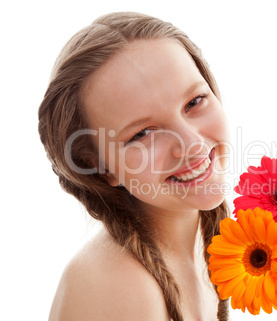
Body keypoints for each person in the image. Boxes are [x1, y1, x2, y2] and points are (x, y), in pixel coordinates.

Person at [38, 12, 231, 321]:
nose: (192, 144)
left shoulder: (208, 241)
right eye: (142, 133)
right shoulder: (119, 286)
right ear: (100, 167)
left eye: (194, 102)